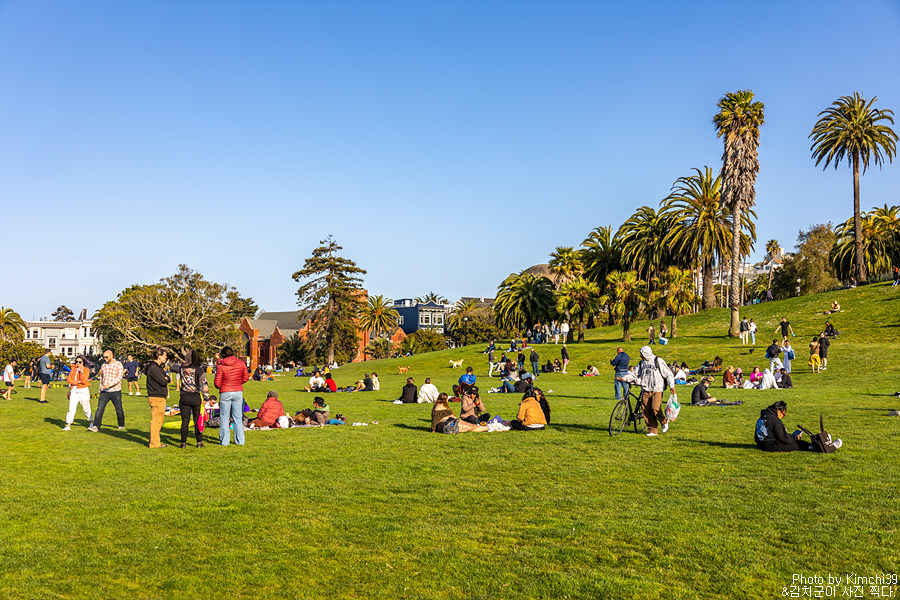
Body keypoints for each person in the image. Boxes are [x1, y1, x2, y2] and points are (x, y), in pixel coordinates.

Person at [617, 346, 676, 437]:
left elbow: (668, 374)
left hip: (657, 389)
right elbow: (634, 374)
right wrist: (624, 378)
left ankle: (664, 422)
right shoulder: (642, 363)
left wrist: (671, 385)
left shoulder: (658, 360)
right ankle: (653, 430)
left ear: (646, 354)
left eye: (641, 354)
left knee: (655, 408)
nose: (640, 356)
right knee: (646, 410)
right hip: (645, 388)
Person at [755, 401, 841, 452]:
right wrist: (795, 437)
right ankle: (823, 446)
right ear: (779, 410)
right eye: (783, 413)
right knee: (796, 444)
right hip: (770, 446)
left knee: (793, 440)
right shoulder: (774, 420)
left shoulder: (763, 416)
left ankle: (823, 443)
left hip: (761, 444)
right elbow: (783, 438)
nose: (783, 416)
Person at [213, 345, 250, 447]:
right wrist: (238, 383)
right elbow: (246, 377)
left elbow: (217, 382)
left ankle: (224, 442)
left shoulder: (222, 366)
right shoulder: (241, 363)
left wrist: (222, 386)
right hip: (238, 391)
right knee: (238, 417)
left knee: (224, 418)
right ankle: (240, 441)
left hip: (225, 391)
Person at [177, 349, 210, 447]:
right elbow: (204, 384)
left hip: (184, 397)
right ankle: (199, 442)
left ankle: (183, 443)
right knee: (197, 420)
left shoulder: (181, 369)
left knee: (185, 421)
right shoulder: (199, 370)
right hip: (195, 397)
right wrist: (206, 397)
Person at [89, 350, 125, 432]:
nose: (105, 359)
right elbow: (102, 378)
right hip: (104, 391)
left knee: (118, 409)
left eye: (106, 357)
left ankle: (121, 425)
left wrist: (110, 385)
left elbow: (119, 377)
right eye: (104, 357)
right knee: (99, 409)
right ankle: (96, 426)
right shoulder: (103, 365)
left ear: (111, 356)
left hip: (115, 391)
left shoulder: (118, 364)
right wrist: (100, 388)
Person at [145, 348, 170, 448]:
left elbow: (167, 378)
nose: (166, 357)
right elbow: (163, 381)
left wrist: (166, 378)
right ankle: (154, 443)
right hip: (156, 397)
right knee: (156, 420)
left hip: (159, 396)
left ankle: (155, 441)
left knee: (160, 420)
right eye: (164, 355)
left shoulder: (158, 367)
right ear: (159, 356)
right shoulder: (154, 368)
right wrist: (166, 378)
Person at [63, 356, 93, 431]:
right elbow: (69, 380)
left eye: (80, 362)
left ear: (83, 363)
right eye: (77, 362)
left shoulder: (86, 370)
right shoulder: (73, 370)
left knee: (86, 408)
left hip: (83, 390)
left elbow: (83, 381)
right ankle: (68, 424)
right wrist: (76, 382)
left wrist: (81, 372)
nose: (78, 363)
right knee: (71, 408)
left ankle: (92, 421)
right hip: (74, 390)